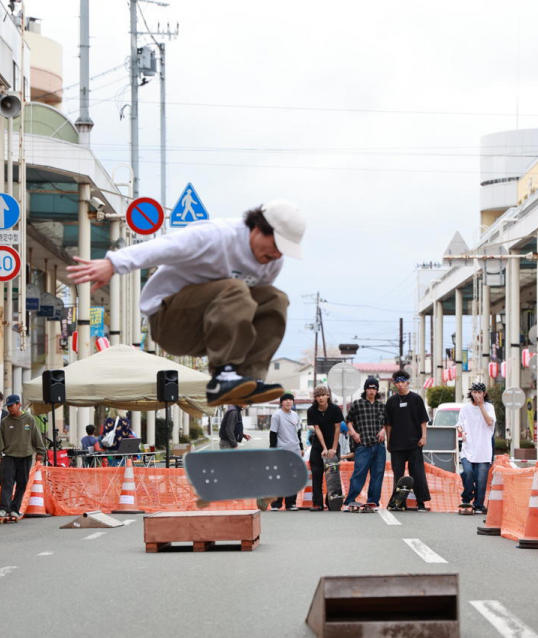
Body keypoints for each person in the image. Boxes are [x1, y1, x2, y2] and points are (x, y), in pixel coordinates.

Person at [67, 202, 306, 408]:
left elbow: (256, 312)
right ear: (258, 228)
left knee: (275, 300)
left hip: (209, 331)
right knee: (235, 289)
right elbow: (163, 247)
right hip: (169, 321)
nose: (276, 255)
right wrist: (114, 264)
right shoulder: (217, 235)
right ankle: (224, 375)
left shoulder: (272, 263)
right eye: (276, 246)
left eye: (283, 252)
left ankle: (246, 380)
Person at [0, 395, 46, 520]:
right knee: (7, 482)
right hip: (9, 456)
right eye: (8, 406)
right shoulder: (5, 421)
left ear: (19, 404)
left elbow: (36, 435)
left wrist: (40, 451)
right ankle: (3, 508)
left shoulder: (29, 419)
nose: (10, 408)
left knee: (22, 483)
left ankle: (15, 509)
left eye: (12, 406)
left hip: (25, 456)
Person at [385, 369, 431, 511]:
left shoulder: (416, 399)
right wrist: (389, 441)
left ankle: (421, 502)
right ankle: (399, 502)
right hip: (397, 444)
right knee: (398, 474)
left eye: (402, 382)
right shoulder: (391, 401)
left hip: (414, 443)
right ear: (394, 384)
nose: (400, 385)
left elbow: (423, 420)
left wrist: (423, 436)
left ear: (407, 383)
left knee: (417, 473)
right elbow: (388, 424)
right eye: (397, 382)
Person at [343, 376, 386, 510]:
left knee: (377, 474)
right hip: (363, 445)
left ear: (377, 390)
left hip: (379, 445)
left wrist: (384, 430)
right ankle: (350, 500)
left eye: (374, 388)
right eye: (369, 388)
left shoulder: (382, 406)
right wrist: (354, 433)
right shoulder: (357, 404)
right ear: (365, 389)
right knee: (359, 474)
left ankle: (373, 502)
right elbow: (348, 420)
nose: (371, 391)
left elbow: (388, 423)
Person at [456, 381, 496, 514]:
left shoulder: (489, 407)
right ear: (471, 393)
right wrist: (460, 429)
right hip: (468, 448)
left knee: (481, 480)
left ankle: (479, 505)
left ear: (484, 393)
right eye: (475, 392)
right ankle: (466, 498)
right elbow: (459, 423)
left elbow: (489, 421)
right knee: (468, 472)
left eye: (480, 392)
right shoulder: (465, 408)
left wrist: (481, 406)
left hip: (484, 450)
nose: (477, 395)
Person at [306, 384, 343, 510]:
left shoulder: (335, 409)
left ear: (328, 395)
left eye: (323, 395)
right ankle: (317, 503)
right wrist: (324, 448)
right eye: (318, 396)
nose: (320, 398)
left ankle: (332, 501)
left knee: (332, 475)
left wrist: (333, 448)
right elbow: (317, 429)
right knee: (316, 473)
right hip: (318, 446)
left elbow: (337, 429)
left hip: (333, 444)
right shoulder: (311, 410)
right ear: (315, 398)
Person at [268, 392, 303, 509]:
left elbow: (298, 433)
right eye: (285, 400)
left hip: (295, 450)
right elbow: (273, 434)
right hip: (282, 450)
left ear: (293, 402)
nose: (288, 402)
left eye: (290, 400)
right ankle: (276, 503)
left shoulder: (295, 415)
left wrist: (301, 448)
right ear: (281, 402)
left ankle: (290, 503)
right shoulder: (277, 415)